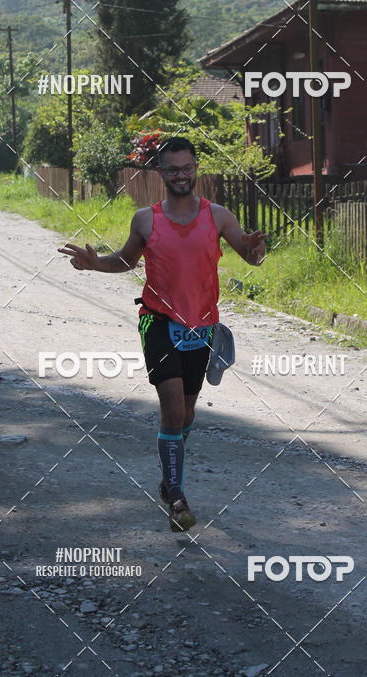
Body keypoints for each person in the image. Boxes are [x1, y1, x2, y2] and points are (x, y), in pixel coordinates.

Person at [58, 137, 266, 532]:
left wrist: (258, 251)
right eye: (173, 170)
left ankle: (170, 478)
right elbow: (126, 261)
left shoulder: (218, 216)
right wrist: (95, 264)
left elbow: (251, 255)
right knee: (171, 409)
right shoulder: (146, 220)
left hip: (202, 327)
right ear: (161, 173)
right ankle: (177, 498)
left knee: (186, 412)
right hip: (158, 323)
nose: (181, 175)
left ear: (195, 168)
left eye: (187, 168)